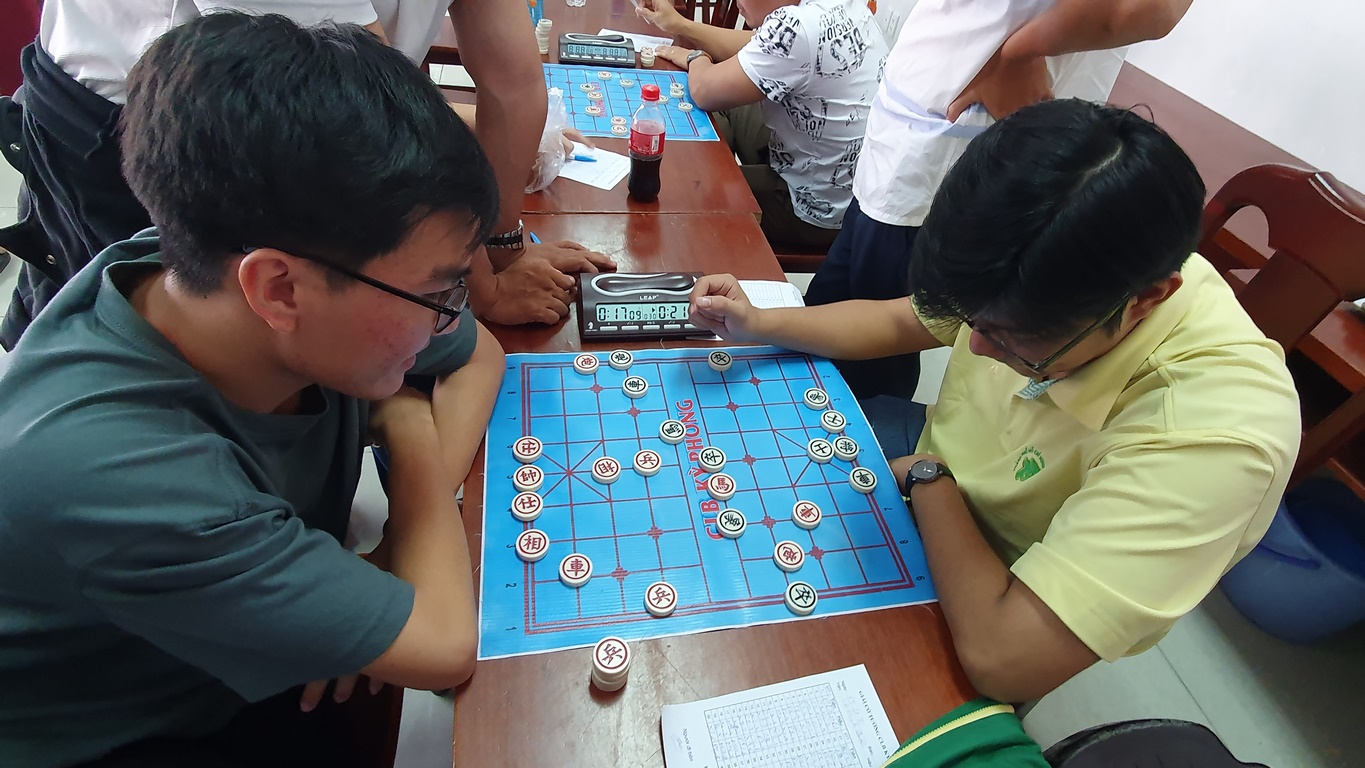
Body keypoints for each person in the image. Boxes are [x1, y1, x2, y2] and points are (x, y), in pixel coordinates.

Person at [0, 14, 503, 766]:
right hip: (138, 731)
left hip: (221, 656)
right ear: (279, 288)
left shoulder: (222, 272)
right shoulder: (118, 471)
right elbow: (441, 645)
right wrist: (408, 430)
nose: (446, 322)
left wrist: (397, 546)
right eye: (436, 295)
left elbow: (480, 355)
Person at [687, 99, 1302, 703]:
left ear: (1146, 301)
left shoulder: (1215, 433)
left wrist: (929, 480)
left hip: (993, 582)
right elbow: (902, 321)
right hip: (935, 461)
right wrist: (759, 323)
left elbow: (1005, 659)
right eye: (971, 318)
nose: (975, 345)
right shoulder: (1059, 252)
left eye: (1011, 339)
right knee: (736, 457)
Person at [0, 0, 609, 351]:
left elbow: (512, 81)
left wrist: (500, 250)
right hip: (130, 129)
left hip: (309, 113)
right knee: (178, 355)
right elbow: (361, 114)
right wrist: (475, 284)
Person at [802, 0, 1194, 405]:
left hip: (958, 141)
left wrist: (1019, 54)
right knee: (849, 295)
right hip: (914, 135)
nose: (977, 344)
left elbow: (1144, 9)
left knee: (880, 355)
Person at [636, 0, 887, 251]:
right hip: (851, 196)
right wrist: (680, 25)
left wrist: (696, 58)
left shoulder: (797, 25)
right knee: (723, 101)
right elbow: (758, 44)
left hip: (813, 208)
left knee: (685, 190)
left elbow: (704, 91)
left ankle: (720, 245)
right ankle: (723, 175)